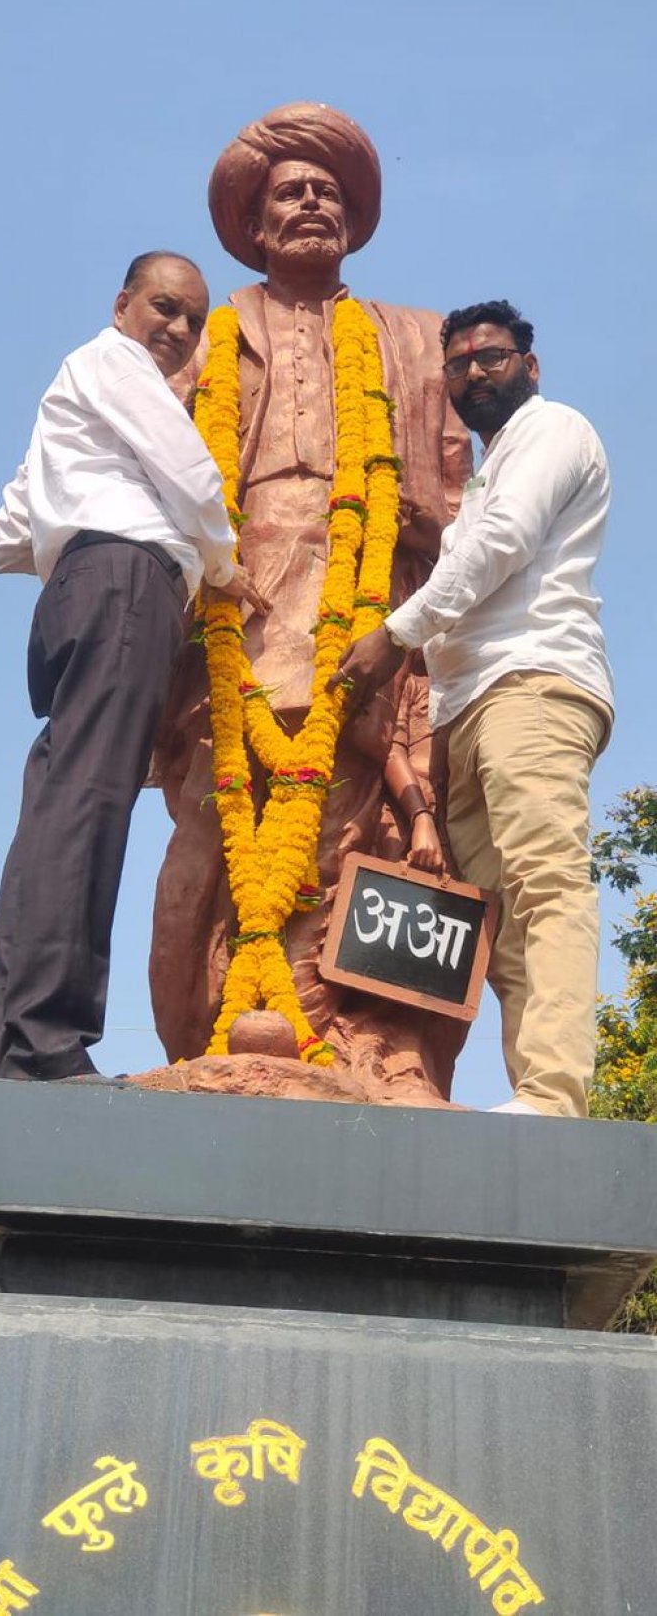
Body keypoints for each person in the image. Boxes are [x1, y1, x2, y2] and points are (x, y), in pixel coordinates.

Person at [148, 103, 474, 1106]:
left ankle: (373, 1046)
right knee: (225, 814)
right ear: (253, 223)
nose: (311, 204)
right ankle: (225, 1024)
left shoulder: (410, 339)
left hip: (369, 590)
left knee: (371, 817)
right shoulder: (209, 337)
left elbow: (461, 496)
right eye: (290, 191)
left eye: (327, 192)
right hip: (237, 598)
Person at [0, 251, 267, 1083]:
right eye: (163, 308)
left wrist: (74, 535)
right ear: (122, 305)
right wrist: (220, 563)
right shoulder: (115, 362)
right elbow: (191, 473)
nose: (176, 330)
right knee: (90, 809)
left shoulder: (79, 394)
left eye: (191, 320)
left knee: (60, 804)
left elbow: (5, 537)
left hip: (77, 591)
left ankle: (18, 1040)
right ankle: (47, 1040)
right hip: (127, 585)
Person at [330, 299, 614, 1118]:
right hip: (470, 708)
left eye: (490, 356)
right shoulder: (488, 471)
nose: (473, 372)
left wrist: (393, 635)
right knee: (500, 923)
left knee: (545, 883)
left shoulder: (554, 431)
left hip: (533, 682)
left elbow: (503, 546)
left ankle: (556, 1095)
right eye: (457, 364)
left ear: (530, 364)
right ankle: (537, 1091)